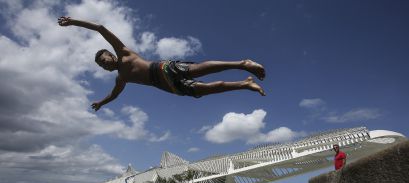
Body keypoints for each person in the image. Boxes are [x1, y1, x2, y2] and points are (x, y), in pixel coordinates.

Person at [58, 16, 266, 112]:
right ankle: (245, 84)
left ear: (110, 56)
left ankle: (243, 63)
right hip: (167, 86)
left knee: (199, 69)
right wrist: (101, 103)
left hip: (162, 68)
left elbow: (101, 28)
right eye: (101, 66)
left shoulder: (123, 53)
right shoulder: (121, 77)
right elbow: (115, 94)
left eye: (104, 61)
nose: (104, 66)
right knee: (205, 90)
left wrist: (74, 22)